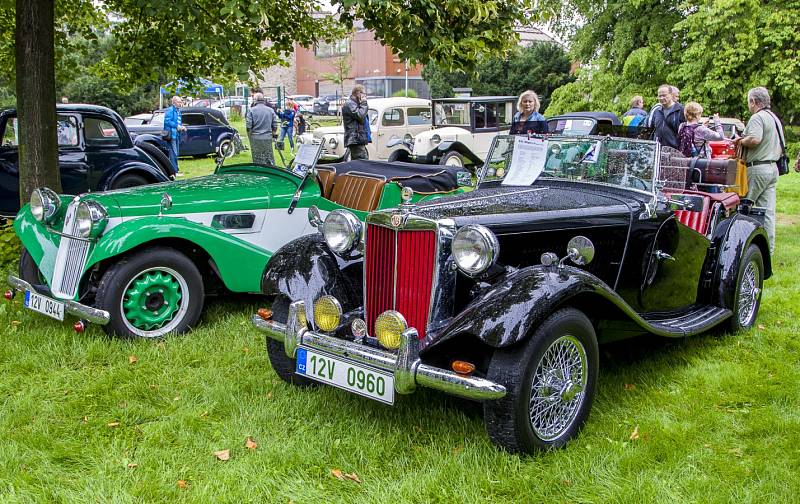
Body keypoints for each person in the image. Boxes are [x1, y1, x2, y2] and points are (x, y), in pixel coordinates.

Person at [735, 86, 783, 253]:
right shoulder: (773, 117)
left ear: (753, 101)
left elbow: (755, 139)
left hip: (757, 169)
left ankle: (739, 247)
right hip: (772, 168)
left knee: (742, 208)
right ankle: (768, 250)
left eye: (749, 101)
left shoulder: (757, 117)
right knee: (767, 213)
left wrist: (741, 140)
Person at [648, 84, 685, 149]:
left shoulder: (681, 110)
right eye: (660, 96)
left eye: (664, 95)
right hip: (658, 150)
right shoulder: (657, 111)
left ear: (671, 95)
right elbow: (651, 130)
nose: (661, 98)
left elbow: (686, 132)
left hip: (675, 151)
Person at [246, 92, 278, 166]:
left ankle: (259, 174)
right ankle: (271, 173)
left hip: (255, 138)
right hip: (267, 138)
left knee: (257, 160)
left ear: (255, 100)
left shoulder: (251, 110)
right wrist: (273, 134)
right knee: (269, 159)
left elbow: (248, 127)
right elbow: (275, 125)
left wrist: (249, 137)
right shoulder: (270, 110)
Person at [342, 85, 370, 160]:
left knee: (360, 162)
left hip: (358, 139)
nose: (365, 96)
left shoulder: (356, 104)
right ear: (358, 93)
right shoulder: (350, 104)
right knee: (363, 163)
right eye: (364, 93)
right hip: (355, 139)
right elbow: (360, 115)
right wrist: (364, 103)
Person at [163, 96, 187, 175]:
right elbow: (167, 121)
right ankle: (174, 172)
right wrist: (177, 126)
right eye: (179, 102)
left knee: (176, 153)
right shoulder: (170, 110)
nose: (180, 103)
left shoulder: (178, 111)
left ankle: (176, 170)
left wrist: (182, 127)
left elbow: (178, 122)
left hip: (176, 135)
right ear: (174, 102)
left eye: (181, 102)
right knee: (173, 153)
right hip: (171, 135)